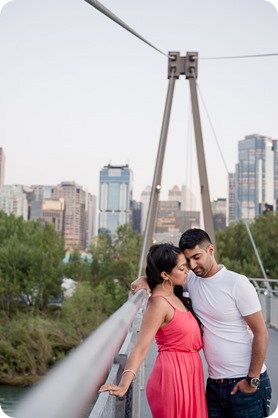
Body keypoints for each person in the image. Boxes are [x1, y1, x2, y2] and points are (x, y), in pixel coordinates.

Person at [131, 228, 272, 418]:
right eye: (188, 260)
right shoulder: (192, 280)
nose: (192, 265)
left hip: (245, 383)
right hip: (213, 385)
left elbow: (261, 332)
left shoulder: (237, 283)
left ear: (211, 250)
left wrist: (252, 380)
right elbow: (168, 275)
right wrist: (146, 278)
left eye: (197, 257)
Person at [99, 243, 208, 418]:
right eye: (182, 268)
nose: (187, 270)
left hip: (191, 375)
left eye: (186, 265)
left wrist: (145, 278)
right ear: (165, 275)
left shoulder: (176, 292)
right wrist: (124, 385)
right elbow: (141, 348)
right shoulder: (158, 303)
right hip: (172, 377)